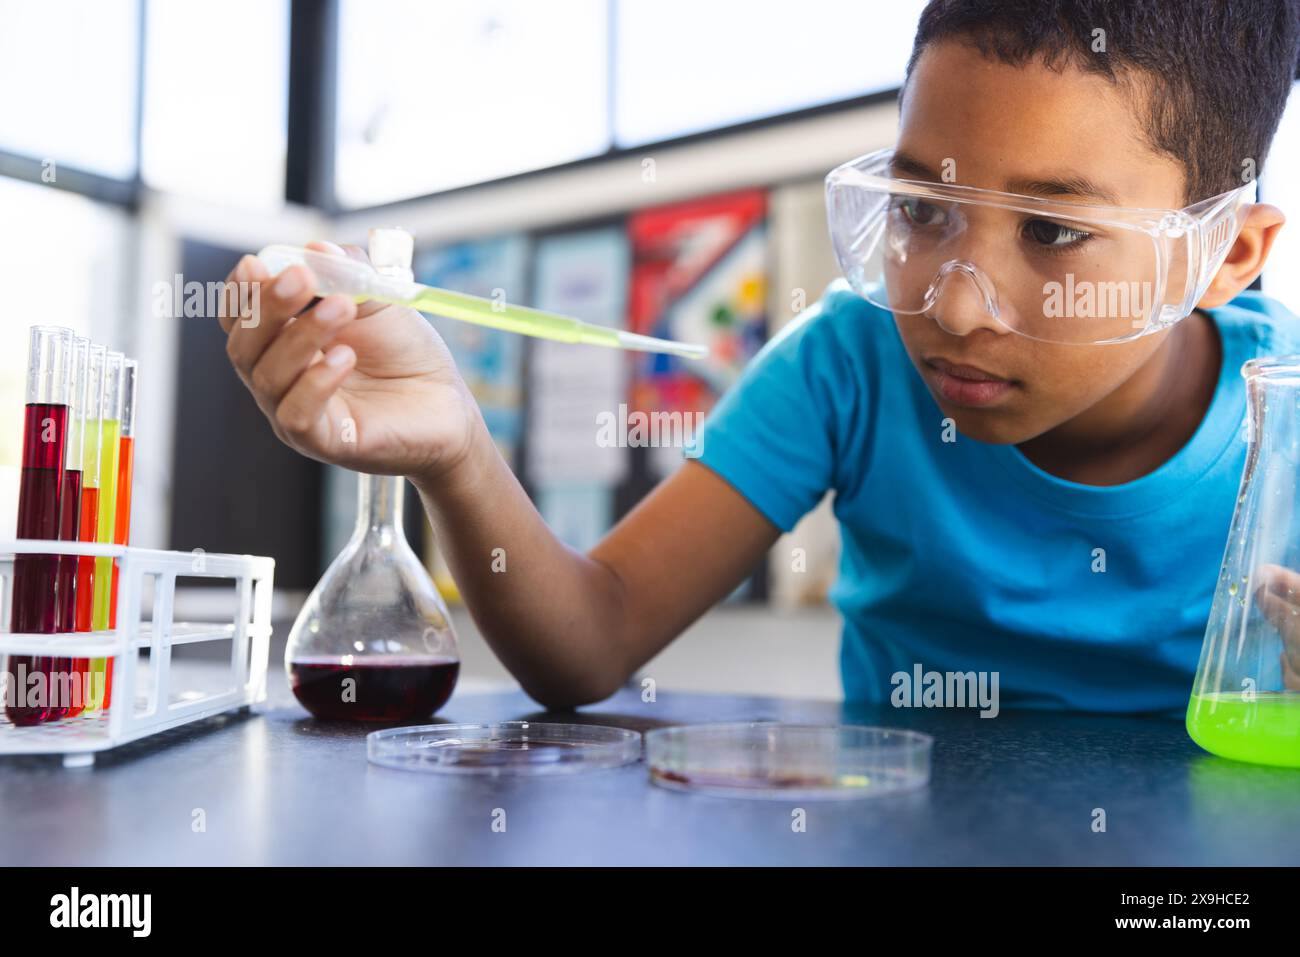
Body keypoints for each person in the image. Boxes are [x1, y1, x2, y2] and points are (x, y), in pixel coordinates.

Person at [218, 0, 1300, 713]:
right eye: (921, 208)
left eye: (1053, 233)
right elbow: (590, 642)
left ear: (1226, 255)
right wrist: (454, 449)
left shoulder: (1286, 419)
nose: (954, 303)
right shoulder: (848, 361)